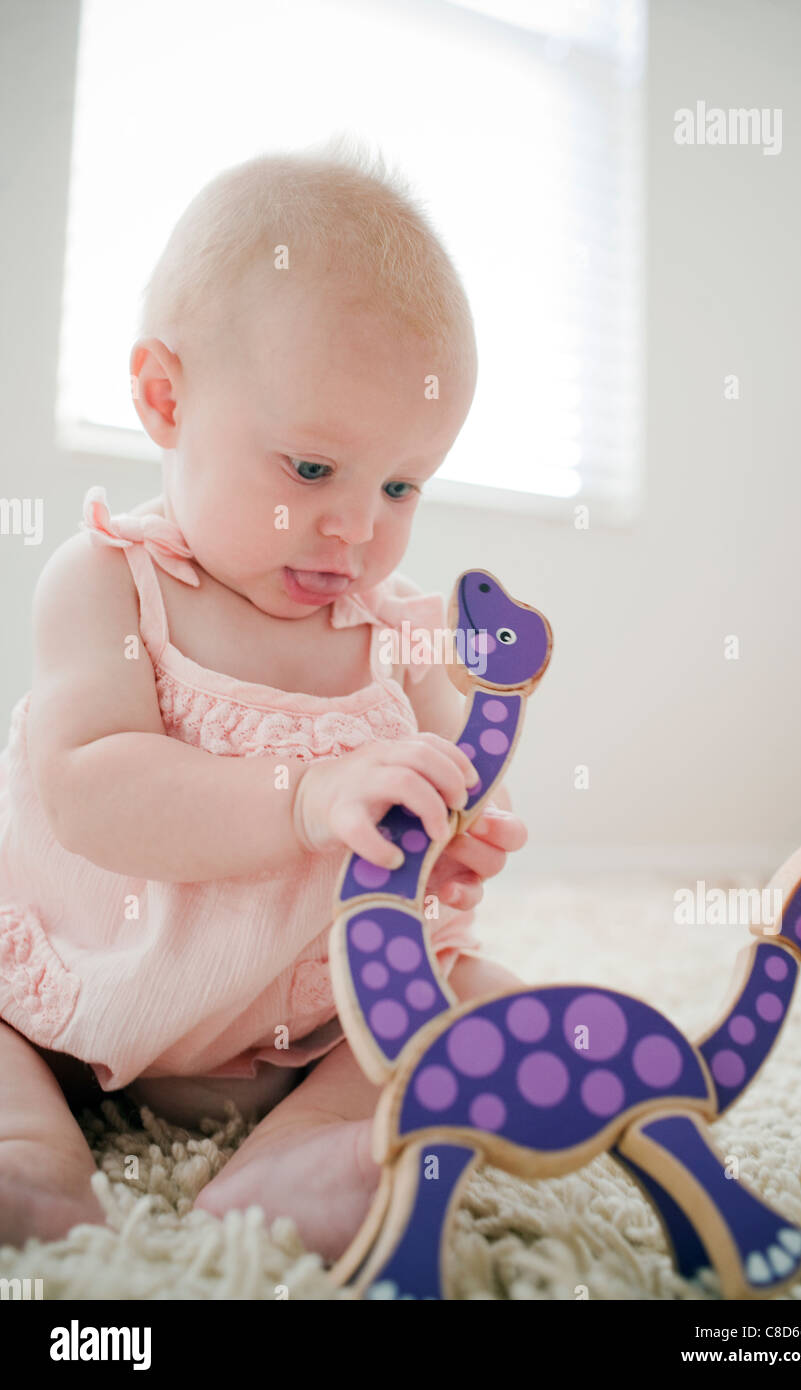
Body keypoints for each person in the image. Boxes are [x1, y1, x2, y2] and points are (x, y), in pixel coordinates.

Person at [0, 141, 528, 1262]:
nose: (356, 528)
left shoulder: (402, 633)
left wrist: (458, 831)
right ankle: (28, 1150)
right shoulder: (110, 584)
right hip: (67, 991)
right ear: (164, 397)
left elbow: (448, 791)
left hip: (303, 1020)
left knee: (489, 1000)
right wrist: (307, 793)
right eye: (308, 470)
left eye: (399, 485)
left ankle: (307, 1146)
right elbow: (91, 791)